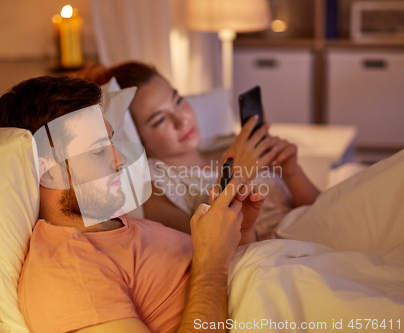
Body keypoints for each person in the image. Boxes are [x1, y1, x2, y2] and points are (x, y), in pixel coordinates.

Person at [0, 75, 267, 333]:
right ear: (48, 172)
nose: (120, 159)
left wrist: (241, 232)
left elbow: (227, 284)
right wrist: (212, 263)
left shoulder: (121, 225)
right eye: (98, 151)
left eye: (111, 141)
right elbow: (213, 276)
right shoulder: (68, 271)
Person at [84, 62, 320, 237]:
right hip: (278, 257)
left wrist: (291, 171)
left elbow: (318, 208)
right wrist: (236, 173)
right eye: (159, 121)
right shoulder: (156, 189)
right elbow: (210, 251)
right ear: (138, 137)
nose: (182, 120)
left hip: (314, 229)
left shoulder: (227, 142)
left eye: (177, 101)